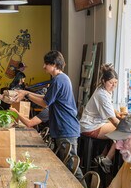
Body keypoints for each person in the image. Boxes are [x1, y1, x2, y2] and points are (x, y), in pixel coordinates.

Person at [15, 51, 83, 179]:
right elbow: (47, 98)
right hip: (64, 129)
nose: (44, 67)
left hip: (66, 129)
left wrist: (27, 94)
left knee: (73, 170)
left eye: (46, 63)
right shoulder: (61, 79)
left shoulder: (58, 80)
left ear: (55, 64)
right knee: (68, 169)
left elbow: (45, 103)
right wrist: (25, 92)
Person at [79, 64, 124, 172]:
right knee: (121, 133)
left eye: (115, 82)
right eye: (111, 83)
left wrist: (117, 113)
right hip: (90, 126)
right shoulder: (102, 94)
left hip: (90, 123)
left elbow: (109, 107)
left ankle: (102, 156)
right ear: (103, 81)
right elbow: (112, 120)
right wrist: (125, 128)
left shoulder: (103, 89)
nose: (113, 85)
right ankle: (107, 160)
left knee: (116, 132)